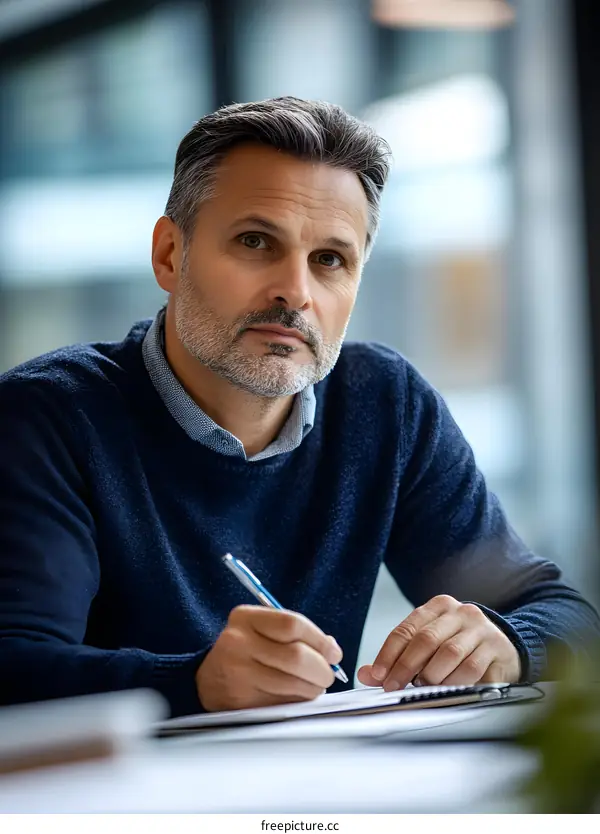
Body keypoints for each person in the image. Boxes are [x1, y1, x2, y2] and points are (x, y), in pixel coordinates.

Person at [0, 97, 598, 717]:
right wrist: (196, 682)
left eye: (330, 260)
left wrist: (507, 640)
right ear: (170, 256)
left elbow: (565, 614)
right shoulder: (46, 417)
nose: (296, 291)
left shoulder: (385, 404)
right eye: (256, 241)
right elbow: (13, 662)